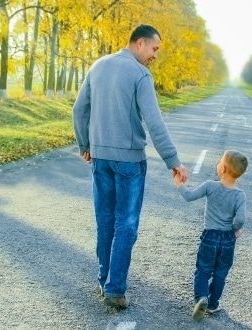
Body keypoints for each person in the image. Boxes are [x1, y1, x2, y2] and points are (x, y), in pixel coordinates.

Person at [73, 24, 188, 310]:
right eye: (154, 48)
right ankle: (114, 289)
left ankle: (105, 280)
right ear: (139, 43)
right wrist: (173, 161)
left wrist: (84, 145)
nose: (155, 55)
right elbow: (154, 121)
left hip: (99, 159)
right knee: (126, 224)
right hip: (129, 163)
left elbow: (79, 109)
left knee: (105, 220)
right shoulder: (139, 74)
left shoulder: (98, 66)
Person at [173, 150, 248, 321]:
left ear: (222, 168)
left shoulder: (210, 186)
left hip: (210, 237)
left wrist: (179, 184)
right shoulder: (239, 195)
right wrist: (235, 228)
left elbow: (189, 196)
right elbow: (241, 219)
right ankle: (213, 304)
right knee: (221, 272)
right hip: (228, 239)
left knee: (203, 270)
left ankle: (201, 298)